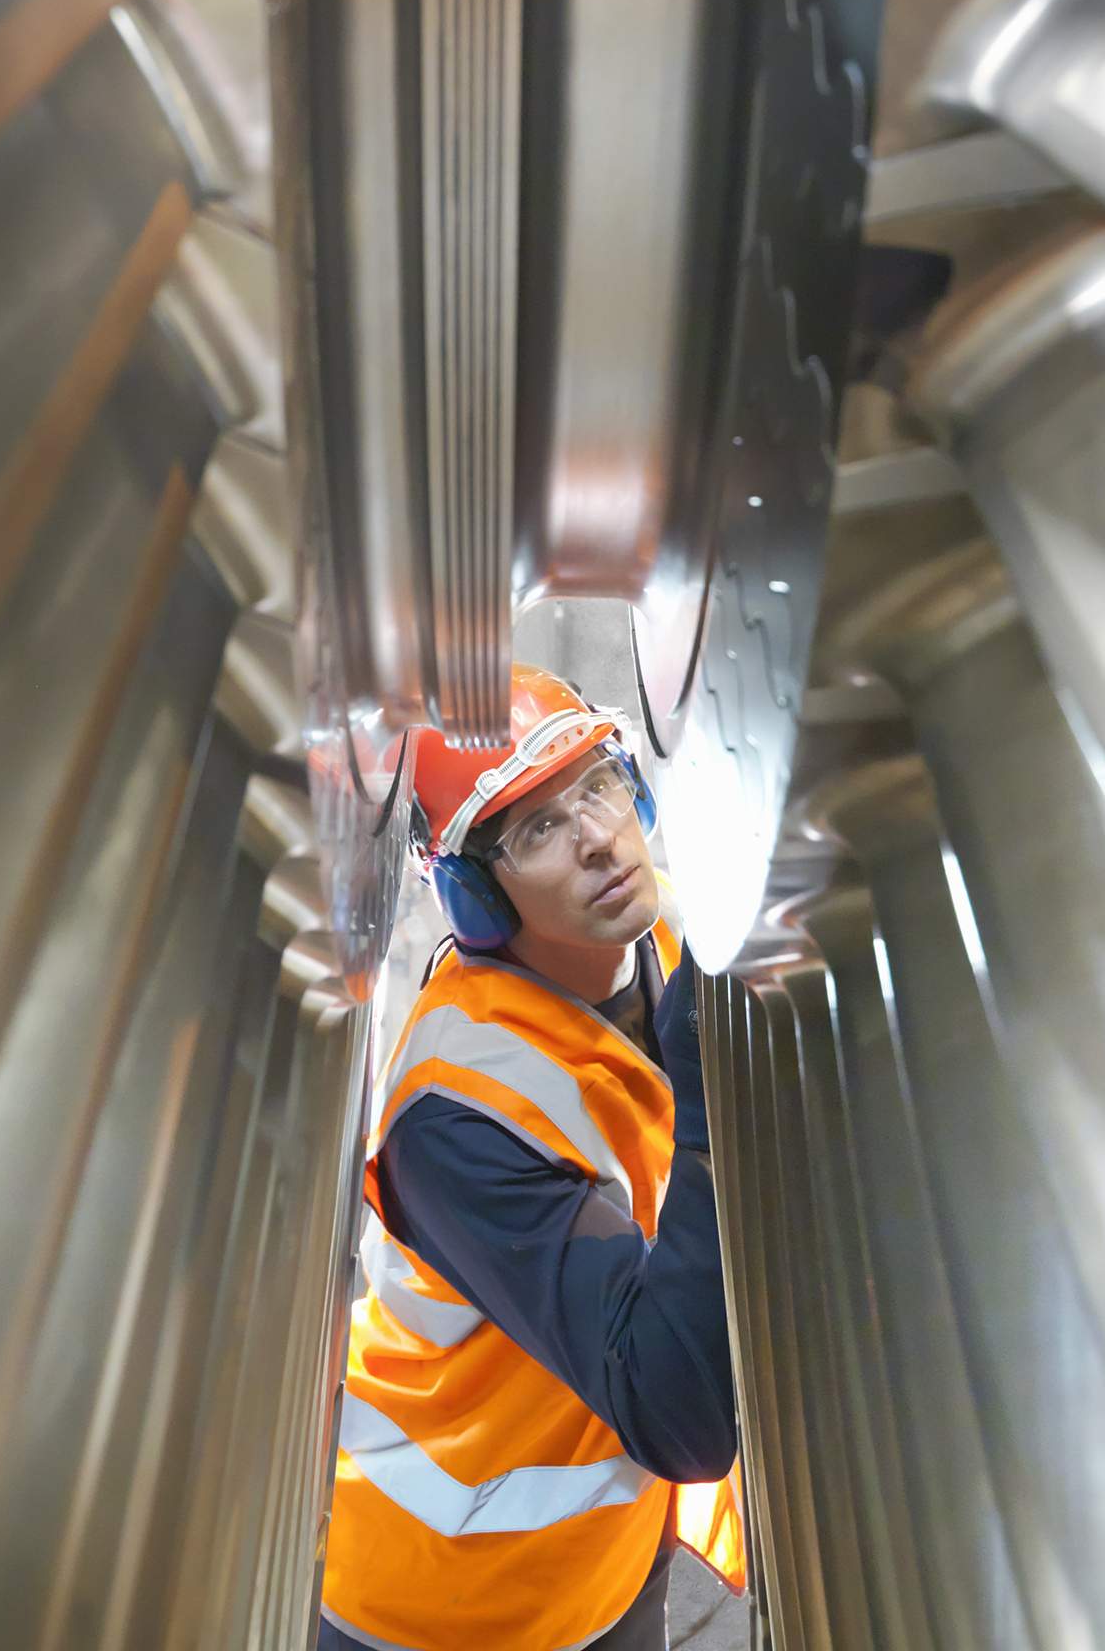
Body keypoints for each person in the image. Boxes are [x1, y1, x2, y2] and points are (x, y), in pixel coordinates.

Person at [316, 664, 743, 1651]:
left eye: (595, 784)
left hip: (607, 1561)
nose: (596, 836)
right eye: (539, 827)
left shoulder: (664, 926)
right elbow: (678, 1409)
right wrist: (712, 1108)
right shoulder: (455, 1112)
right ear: (474, 895)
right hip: (439, 1596)